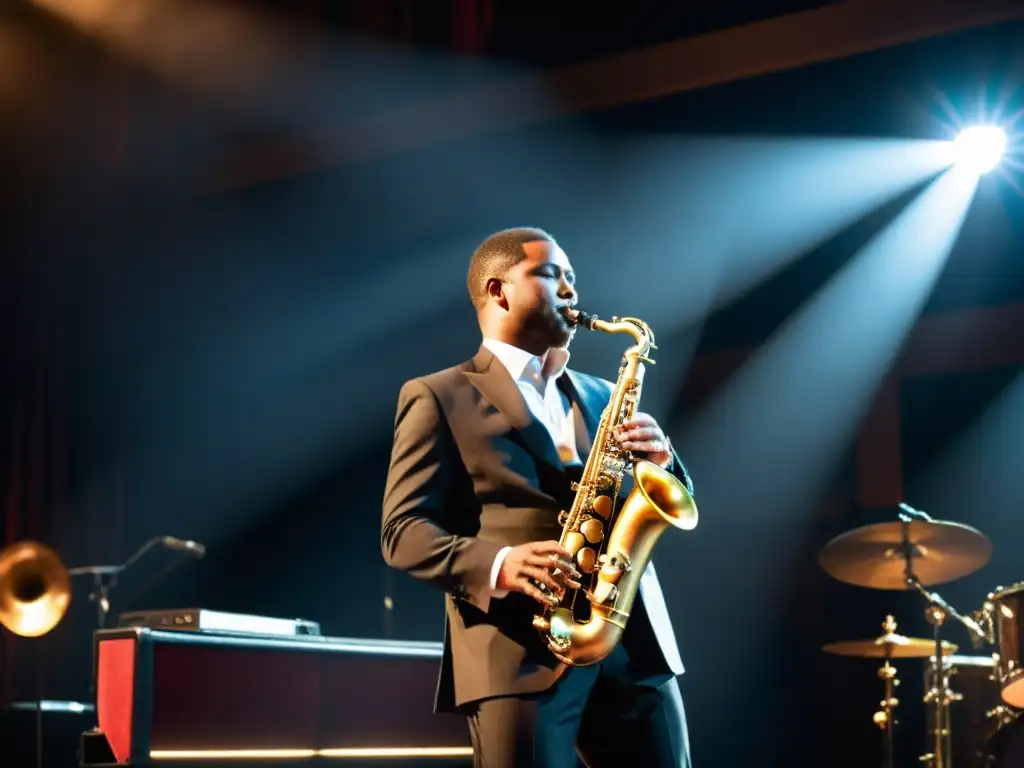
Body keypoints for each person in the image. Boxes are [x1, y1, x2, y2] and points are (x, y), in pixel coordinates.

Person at [381, 227, 695, 767]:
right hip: (517, 649)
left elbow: (672, 496)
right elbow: (403, 532)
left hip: (632, 644)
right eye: (551, 275)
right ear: (498, 290)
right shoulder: (437, 395)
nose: (571, 290)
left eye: (572, 277)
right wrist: (500, 563)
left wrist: (664, 462)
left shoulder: (603, 393)